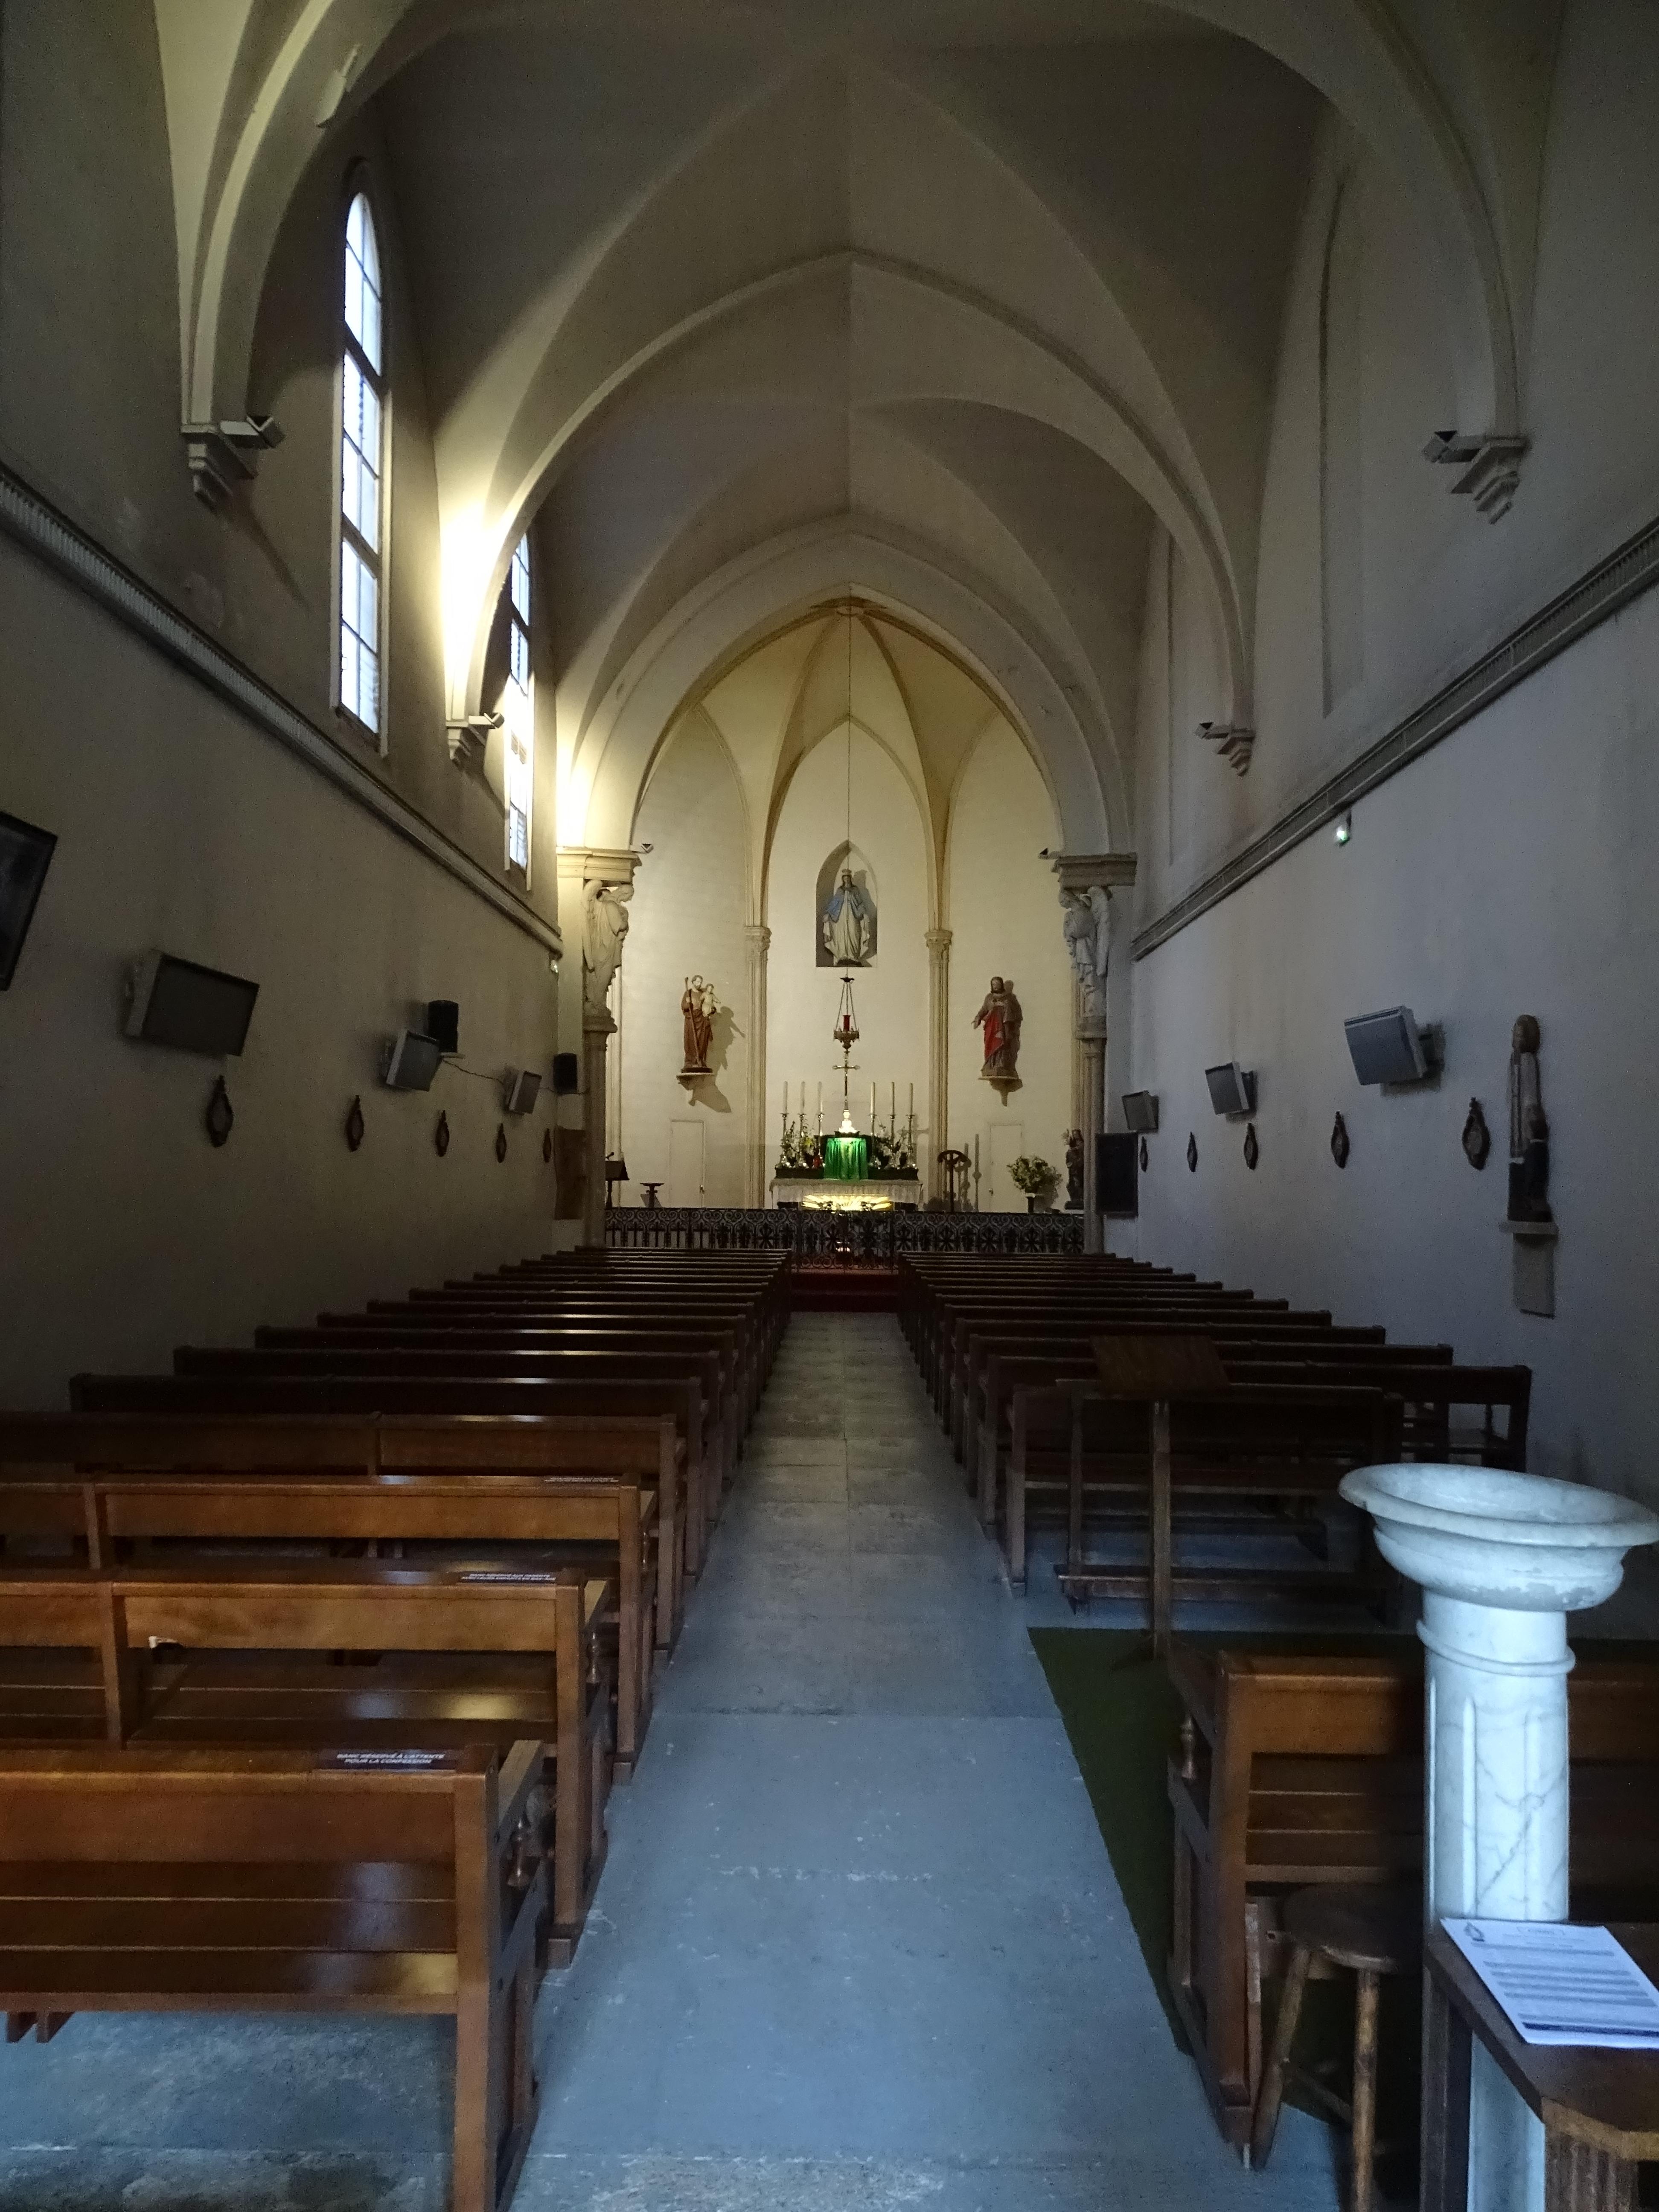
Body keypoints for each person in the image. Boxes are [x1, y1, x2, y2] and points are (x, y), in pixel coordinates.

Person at [974, 976, 1022, 1082]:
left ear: (1001, 984)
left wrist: (1004, 1006)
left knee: (1002, 1045)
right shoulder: (989, 998)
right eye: (993, 984)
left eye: (997, 984)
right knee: (991, 1045)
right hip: (991, 1028)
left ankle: (1001, 1065)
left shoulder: (1010, 998)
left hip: (1004, 1028)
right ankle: (991, 1065)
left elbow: (1017, 1014)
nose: (995, 986)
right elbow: (984, 1010)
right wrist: (978, 1018)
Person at [822, 866, 873, 965]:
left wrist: (864, 914)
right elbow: (834, 904)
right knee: (842, 935)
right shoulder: (840, 890)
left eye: (848, 878)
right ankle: (843, 955)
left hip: (854, 916)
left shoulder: (855, 890)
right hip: (841, 917)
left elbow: (860, 903)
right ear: (843, 879)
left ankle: (854, 956)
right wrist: (828, 913)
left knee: (854, 933)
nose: (847, 879)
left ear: (850, 878)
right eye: (845, 878)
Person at [681, 975, 714, 1072]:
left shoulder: (704, 994)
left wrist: (711, 1010)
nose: (699, 984)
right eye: (698, 982)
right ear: (693, 982)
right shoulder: (689, 993)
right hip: (691, 1020)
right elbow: (684, 1007)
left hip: (702, 1020)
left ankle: (700, 1061)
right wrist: (688, 1004)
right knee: (691, 1041)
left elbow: (710, 1004)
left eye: (701, 982)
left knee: (702, 1041)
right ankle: (691, 1062)